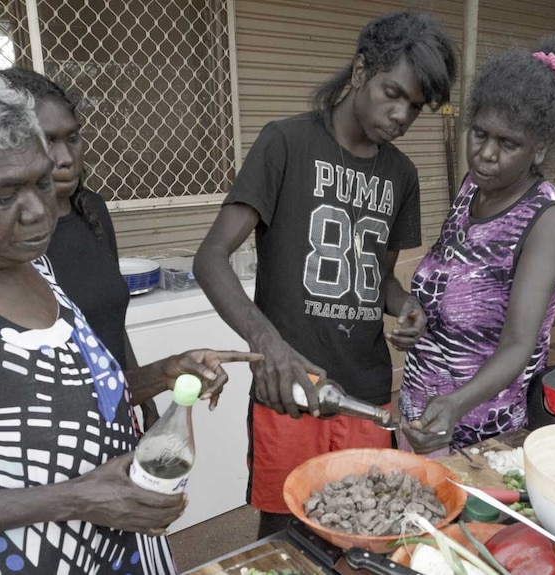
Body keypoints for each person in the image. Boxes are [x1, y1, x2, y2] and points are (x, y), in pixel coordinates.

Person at [0, 54, 259, 575]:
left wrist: (162, 373)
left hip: (116, 546)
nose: (38, 211)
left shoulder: (33, 265)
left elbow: (65, 398)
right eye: (4, 195)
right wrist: (75, 499)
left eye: (41, 183)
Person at [193, 11, 457, 536]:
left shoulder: (401, 174)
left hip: (366, 389)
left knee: (367, 528)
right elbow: (210, 258)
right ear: (360, 71)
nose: (401, 114)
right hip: (291, 388)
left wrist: (405, 305)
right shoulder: (286, 144)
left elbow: (379, 278)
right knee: (288, 532)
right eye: (392, 92)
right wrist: (268, 344)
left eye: (415, 106)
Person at [399, 33, 555, 455]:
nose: (486, 153)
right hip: (421, 413)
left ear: (538, 150)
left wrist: (454, 403)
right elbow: (451, 281)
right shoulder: (472, 189)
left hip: (477, 433)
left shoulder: (545, 219)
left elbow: (520, 344)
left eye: (508, 144)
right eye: (480, 134)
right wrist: (418, 317)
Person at [0, 67, 161, 429]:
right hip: (54, 433)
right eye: (46, 140)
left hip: (117, 411)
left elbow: (109, 324)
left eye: (72, 138)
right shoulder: (2, 236)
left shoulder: (93, 212)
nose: (65, 157)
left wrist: (142, 397)